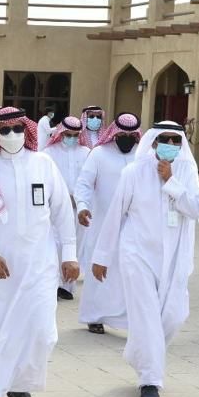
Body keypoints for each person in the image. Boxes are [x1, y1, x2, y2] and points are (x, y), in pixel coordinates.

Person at [0, 107, 78, 397]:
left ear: (26, 130)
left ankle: (20, 386)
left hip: (39, 266)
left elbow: (61, 212)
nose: (12, 135)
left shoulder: (43, 164)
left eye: (17, 128)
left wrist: (69, 254)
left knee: (42, 333)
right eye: (5, 130)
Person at [92, 122, 199, 397]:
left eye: (176, 140)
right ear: (153, 142)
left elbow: (196, 210)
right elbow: (116, 213)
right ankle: (150, 380)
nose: (171, 145)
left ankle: (139, 352)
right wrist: (101, 257)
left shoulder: (187, 170)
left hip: (175, 256)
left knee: (175, 315)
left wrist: (171, 182)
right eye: (165, 139)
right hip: (137, 254)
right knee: (146, 316)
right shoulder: (134, 172)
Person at [74, 113, 141, 333]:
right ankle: (94, 316)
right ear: (114, 133)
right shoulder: (99, 154)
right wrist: (82, 206)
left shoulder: (142, 155)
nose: (126, 139)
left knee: (129, 271)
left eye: (131, 135)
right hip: (102, 222)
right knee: (99, 268)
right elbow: (84, 184)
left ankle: (127, 317)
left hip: (134, 225)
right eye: (122, 135)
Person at [43, 116, 91, 301]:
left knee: (74, 245)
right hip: (55, 208)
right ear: (61, 133)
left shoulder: (86, 152)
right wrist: (61, 199)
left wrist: (81, 201)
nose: (71, 138)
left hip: (79, 208)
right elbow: (45, 180)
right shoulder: (49, 152)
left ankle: (67, 286)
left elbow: (89, 181)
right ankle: (54, 283)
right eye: (68, 134)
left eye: (75, 135)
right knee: (55, 244)